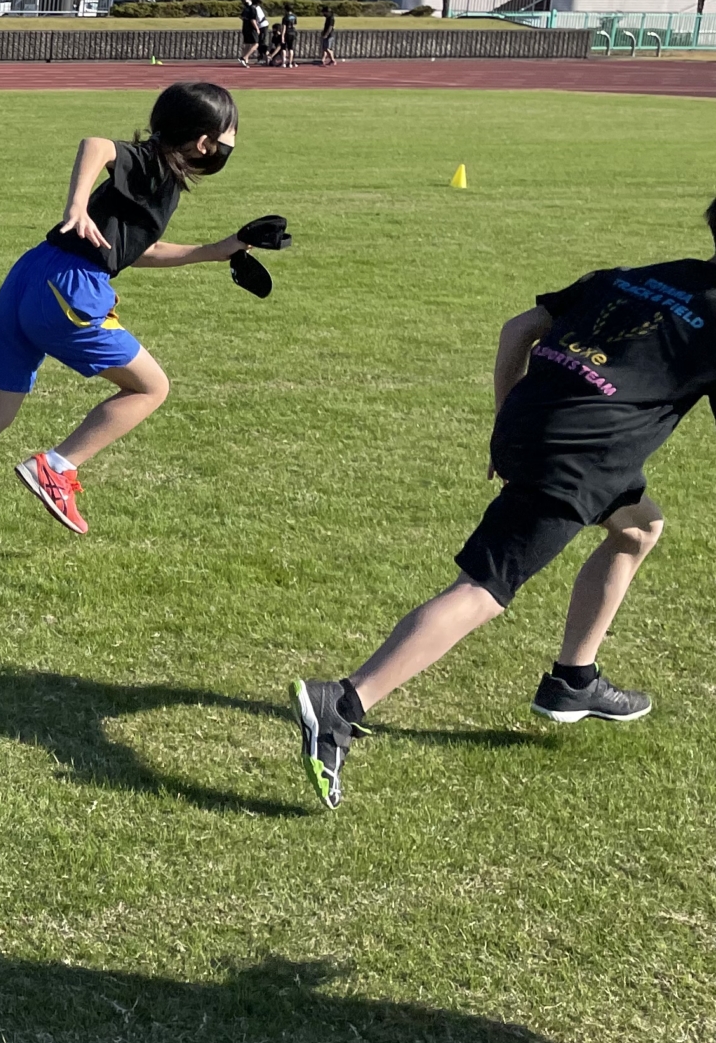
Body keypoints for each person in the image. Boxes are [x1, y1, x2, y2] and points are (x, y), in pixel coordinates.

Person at [291, 205, 716, 809]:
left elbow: (517, 329)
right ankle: (344, 704)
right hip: (579, 456)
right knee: (483, 588)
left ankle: (574, 681)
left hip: (528, 421)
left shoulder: (639, 273)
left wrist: (506, 426)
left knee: (640, 528)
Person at [0, 82, 286, 552]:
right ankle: (58, 466)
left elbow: (136, 251)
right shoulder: (151, 159)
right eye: (227, 140)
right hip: (68, 286)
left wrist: (220, 251)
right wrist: (76, 205)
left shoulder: (161, 180)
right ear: (204, 142)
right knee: (152, 387)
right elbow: (96, 146)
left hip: (31, 276)